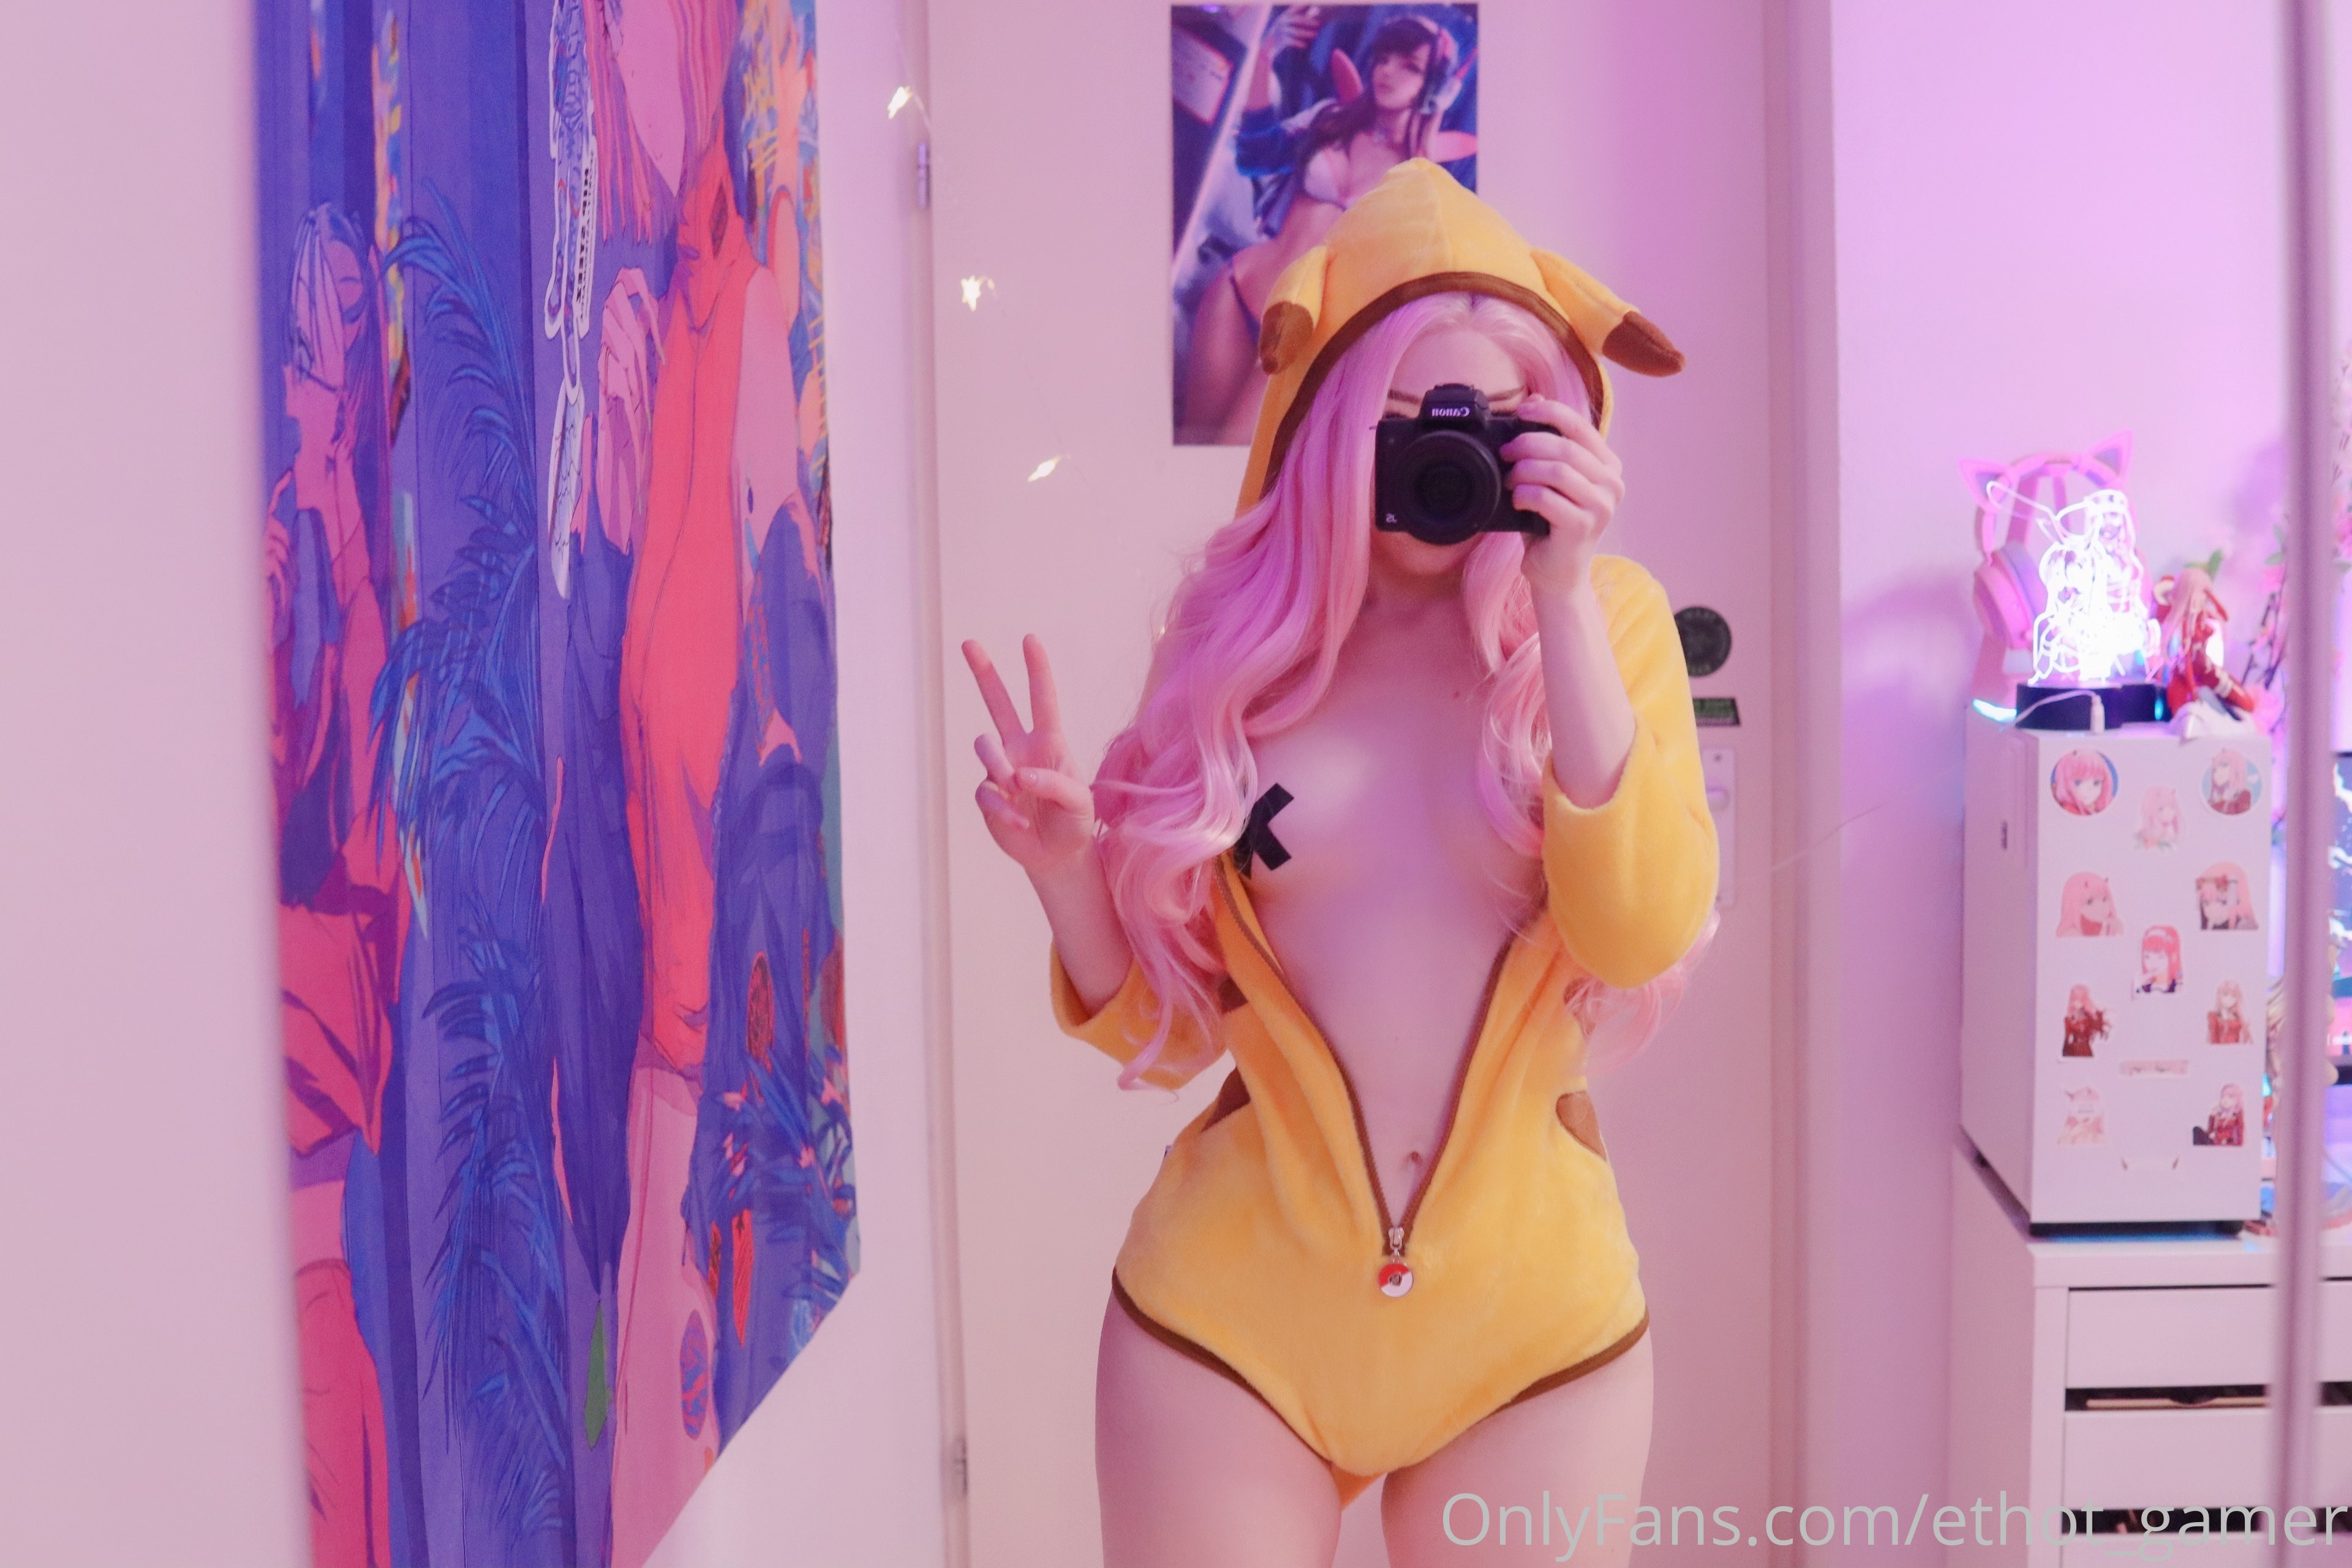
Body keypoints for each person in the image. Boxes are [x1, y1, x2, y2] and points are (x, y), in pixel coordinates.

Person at [966, 163, 1708, 1566]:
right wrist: (1068, 874)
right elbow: (1171, 1031)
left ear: (1555, 426)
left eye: (1491, 421)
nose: (1444, 459)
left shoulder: (1608, 624)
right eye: (1406, 418)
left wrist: (1559, 592)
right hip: (1229, 1325)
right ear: (1320, 419)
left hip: (1535, 1331)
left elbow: (1636, 931)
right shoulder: (1234, 655)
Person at [265, 203, 405, 1568]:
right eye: (328, 328)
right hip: (310, 1055)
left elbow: (366, 802)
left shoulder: (348, 526)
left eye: (358, 330)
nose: (344, 373)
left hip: (341, 1051)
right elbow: (305, 779)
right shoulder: (289, 536)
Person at [1181, 10, 1476, 445]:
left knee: (1240, 456)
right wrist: (1264, 54)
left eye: (1409, 66)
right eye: (1384, 58)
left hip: (1310, 331)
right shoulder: (1331, 119)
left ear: (1436, 88)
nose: (1387, 72)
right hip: (1241, 288)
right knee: (1194, 453)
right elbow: (1255, 155)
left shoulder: (1423, 177)